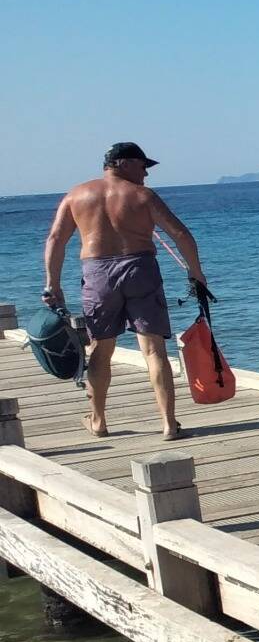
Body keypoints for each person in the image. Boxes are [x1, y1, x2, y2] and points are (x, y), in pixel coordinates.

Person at [42, 142, 206, 439]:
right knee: (153, 349)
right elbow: (181, 233)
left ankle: (98, 421)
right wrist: (196, 274)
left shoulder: (76, 195)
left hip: (97, 274)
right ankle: (168, 424)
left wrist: (53, 284)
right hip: (139, 269)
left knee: (100, 349)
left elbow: (56, 239)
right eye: (143, 166)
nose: (146, 174)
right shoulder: (143, 196)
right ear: (123, 163)